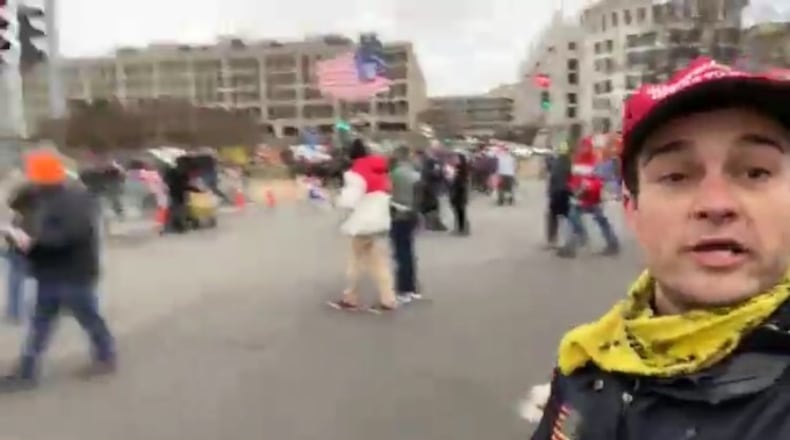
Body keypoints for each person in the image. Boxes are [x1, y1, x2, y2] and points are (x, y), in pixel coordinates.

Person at [530, 57, 790, 439]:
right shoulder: (584, 366)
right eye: (676, 176)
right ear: (632, 210)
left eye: (756, 172)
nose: (716, 204)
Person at [0, 150, 116, 392]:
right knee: (40, 324)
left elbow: (71, 234)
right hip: (48, 272)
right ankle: (27, 371)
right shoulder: (36, 198)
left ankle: (106, 355)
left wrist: (34, 241)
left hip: (74, 273)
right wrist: (19, 240)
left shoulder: (75, 199)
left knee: (89, 318)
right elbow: (18, 210)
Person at [329, 139, 397, 313]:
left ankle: (350, 298)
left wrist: (335, 199)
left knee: (355, 262)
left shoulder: (355, 173)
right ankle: (388, 299)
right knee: (377, 262)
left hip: (363, 223)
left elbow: (349, 200)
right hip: (379, 220)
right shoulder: (379, 169)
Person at [557, 138, 619, 258]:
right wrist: (572, 187)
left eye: (585, 147)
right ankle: (571, 246)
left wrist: (588, 186)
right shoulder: (577, 162)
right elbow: (573, 179)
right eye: (581, 146)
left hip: (593, 198)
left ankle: (613, 243)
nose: (583, 149)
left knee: (601, 220)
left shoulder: (596, 163)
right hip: (578, 198)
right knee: (572, 219)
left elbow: (599, 181)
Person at [389, 145, 422, 304]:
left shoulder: (394, 174)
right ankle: (412, 287)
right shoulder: (415, 174)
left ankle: (404, 289)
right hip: (412, 215)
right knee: (408, 251)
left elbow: (388, 193)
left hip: (398, 215)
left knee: (400, 253)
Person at [544, 143, 574, 249]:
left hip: (557, 193)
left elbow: (551, 171)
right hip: (565, 192)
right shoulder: (569, 162)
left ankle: (553, 240)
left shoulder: (556, 162)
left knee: (553, 217)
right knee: (567, 217)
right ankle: (569, 240)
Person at [449, 152, 470, 236]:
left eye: (456, 158)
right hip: (458, 192)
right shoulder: (459, 169)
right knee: (459, 211)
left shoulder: (461, 170)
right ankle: (461, 228)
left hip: (459, 192)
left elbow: (460, 183)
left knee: (460, 211)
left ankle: (461, 229)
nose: (454, 160)